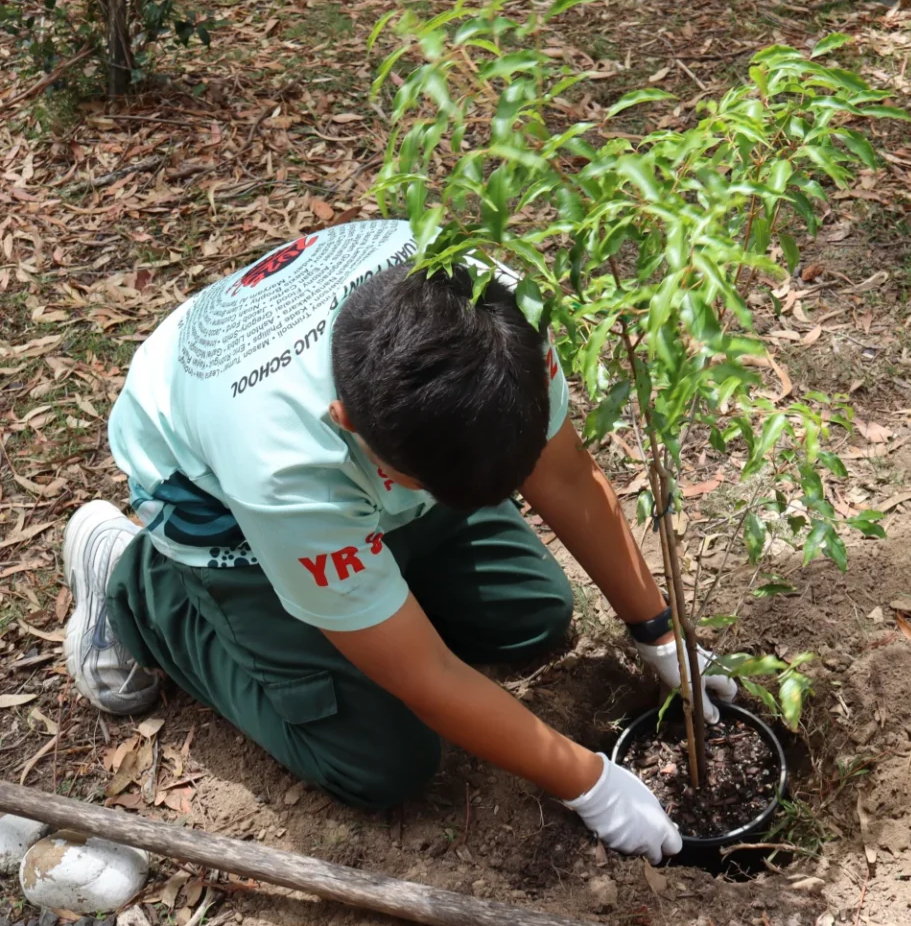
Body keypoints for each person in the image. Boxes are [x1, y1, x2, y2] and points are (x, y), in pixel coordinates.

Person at [63, 219, 737, 865]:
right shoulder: (282, 467)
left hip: (367, 455)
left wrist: (659, 633)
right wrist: (587, 782)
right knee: (381, 761)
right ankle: (135, 584)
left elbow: (561, 471)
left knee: (530, 619)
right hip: (213, 503)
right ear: (349, 425)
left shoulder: (493, 318)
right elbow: (425, 676)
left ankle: (373, 593)